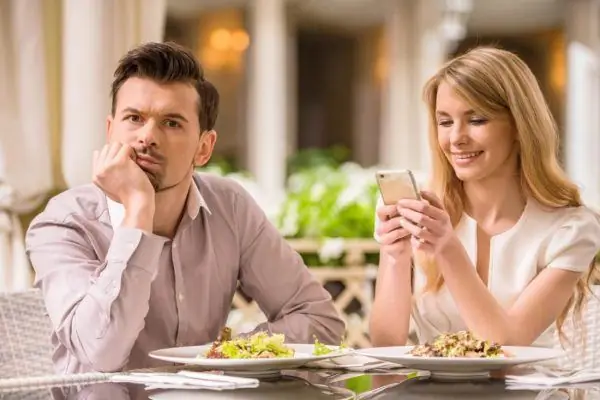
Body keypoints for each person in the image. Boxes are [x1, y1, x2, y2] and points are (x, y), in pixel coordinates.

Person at [26, 42, 344, 374]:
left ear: (204, 148)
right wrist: (138, 212)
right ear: (110, 132)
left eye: (172, 123)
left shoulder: (230, 207)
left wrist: (226, 357)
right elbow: (100, 353)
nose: (147, 137)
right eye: (134, 118)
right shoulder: (63, 223)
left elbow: (319, 319)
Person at [369, 46, 600, 349]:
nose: (456, 139)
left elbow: (505, 347)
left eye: (477, 120)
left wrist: (448, 248)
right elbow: (386, 343)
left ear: (520, 125)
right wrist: (395, 257)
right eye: (445, 122)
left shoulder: (571, 230)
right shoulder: (421, 211)